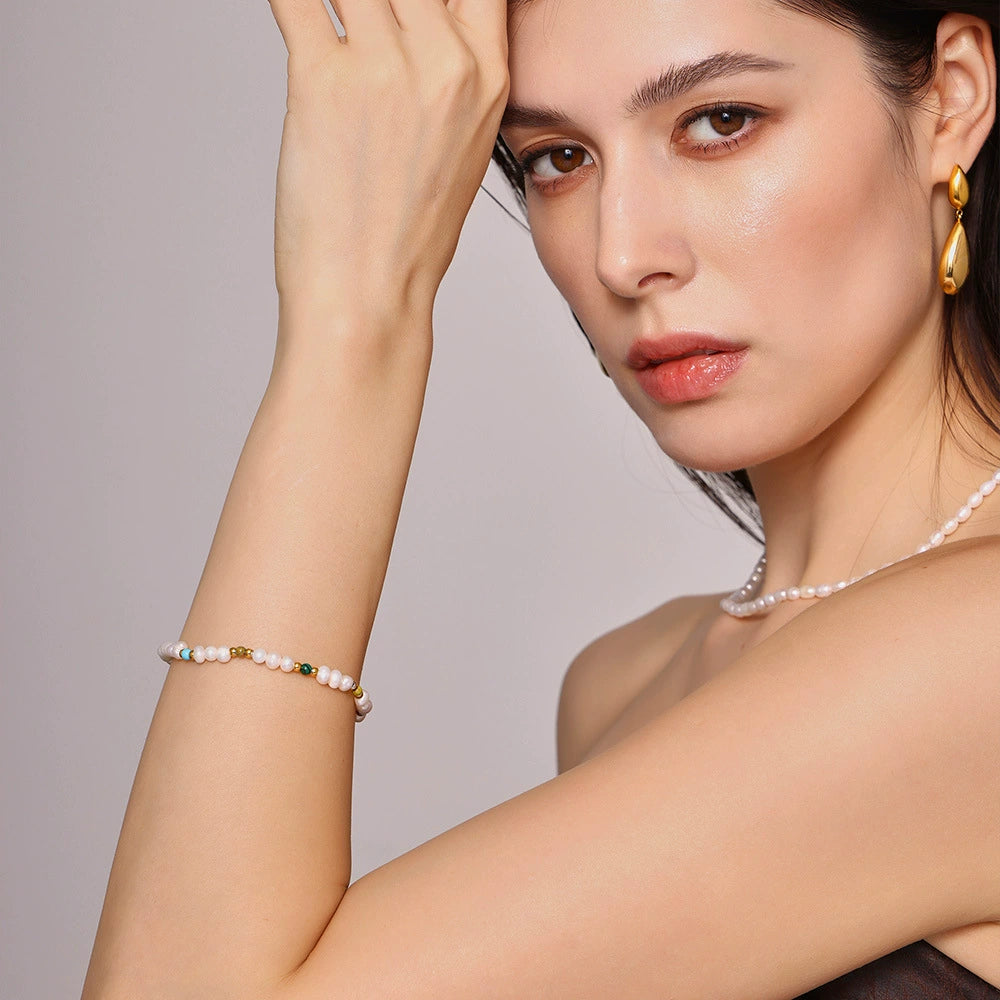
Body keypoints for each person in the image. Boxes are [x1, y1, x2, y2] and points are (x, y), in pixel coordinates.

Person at [82, 0, 1000, 997]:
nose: (621, 254)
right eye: (559, 159)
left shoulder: (974, 653)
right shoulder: (624, 683)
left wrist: (355, 311)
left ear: (952, 96)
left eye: (719, 121)